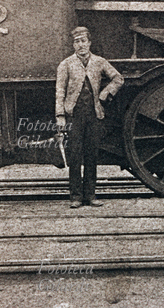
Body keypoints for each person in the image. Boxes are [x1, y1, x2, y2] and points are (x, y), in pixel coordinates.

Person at [55, 26, 123, 208]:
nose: (81, 45)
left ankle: (91, 195)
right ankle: (76, 197)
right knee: (75, 156)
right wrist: (60, 116)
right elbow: (59, 91)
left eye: (83, 41)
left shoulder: (99, 62)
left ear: (89, 43)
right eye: (77, 42)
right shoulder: (66, 64)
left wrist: (105, 93)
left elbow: (118, 78)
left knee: (92, 155)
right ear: (73, 45)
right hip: (74, 116)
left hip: (94, 115)